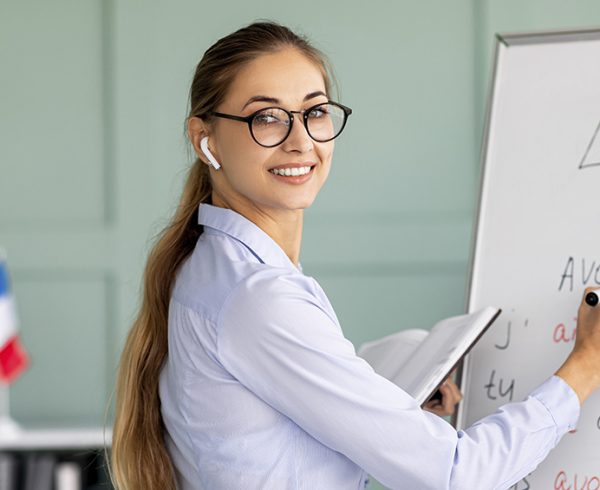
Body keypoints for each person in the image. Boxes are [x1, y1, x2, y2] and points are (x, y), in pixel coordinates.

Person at [110, 20, 600, 490]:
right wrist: (584, 367)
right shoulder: (257, 296)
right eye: (267, 117)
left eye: (315, 112)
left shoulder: (217, 267)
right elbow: (458, 473)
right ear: (205, 139)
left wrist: (390, 413)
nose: (301, 141)